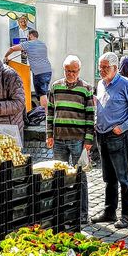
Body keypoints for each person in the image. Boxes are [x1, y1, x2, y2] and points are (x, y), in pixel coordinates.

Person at [91, 52, 128, 229]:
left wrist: (123, 126)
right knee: (108, 176)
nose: (102, 70)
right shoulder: (100, 84)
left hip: (118, 135)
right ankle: (109, 211)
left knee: (123, 176)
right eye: (100, 67)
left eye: (105, 67)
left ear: (115, 68)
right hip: (102, 134)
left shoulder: (125, 84)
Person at [46, 55, 95, 217]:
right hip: (59, 138)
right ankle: (62, 211)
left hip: (78, 139)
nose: (70, 74)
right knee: (59, 176)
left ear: (79, 71)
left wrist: (88, 139)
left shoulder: (86, 88)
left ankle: (82, 213)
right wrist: (49, 134)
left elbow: (90, 116)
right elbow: (50, 112)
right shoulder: (55, 87)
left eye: (74, 71)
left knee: (79, 176)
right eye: (68, 71)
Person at [5, 29, 53, 109]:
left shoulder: (28, 44)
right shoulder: (43, 44)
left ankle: (44, 115)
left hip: (39, 72)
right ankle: (44, 112)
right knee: (43, 92)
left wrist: (6, 56)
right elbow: (38, 58)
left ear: (31, 35)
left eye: (28, 36)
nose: (27, 38)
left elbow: (12, 49)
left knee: (42, 94)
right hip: (47, 71)